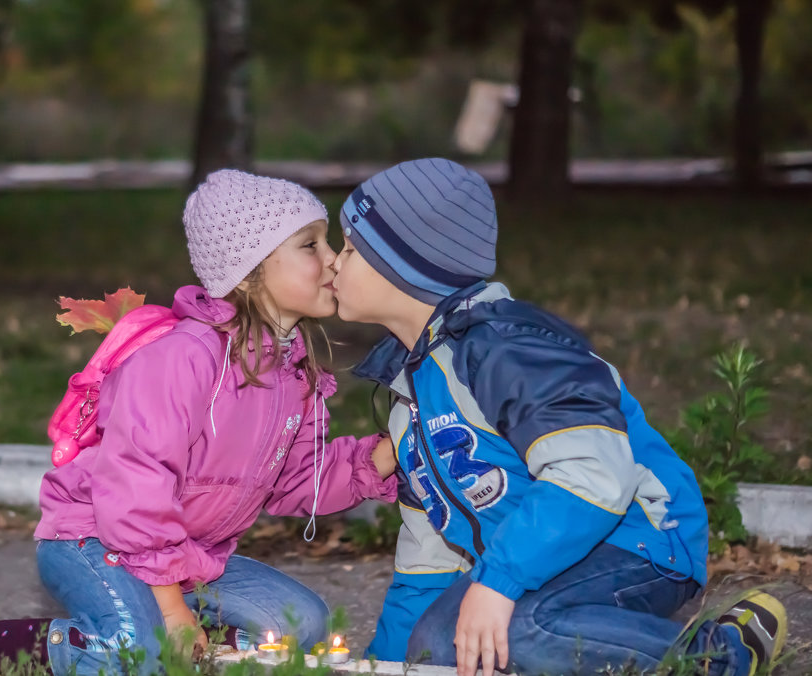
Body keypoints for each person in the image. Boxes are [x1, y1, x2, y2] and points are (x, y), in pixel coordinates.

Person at [0, 169, 399, 676]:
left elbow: (297, 482)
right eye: (311, 245)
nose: (333, 258)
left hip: (184, 556)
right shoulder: (182, 359)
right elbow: (136, 490)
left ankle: (181, 645)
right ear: (249, 272)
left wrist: (387, 451)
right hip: (97, 540)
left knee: (300, 627)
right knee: (140, 651)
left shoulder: (290, 374)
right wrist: (173, 610)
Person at [329, 158, 787, 676]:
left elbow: (595, 476)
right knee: (434, 643)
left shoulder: (509, 353)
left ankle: (722, 654)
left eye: (348, 248)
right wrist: (383, 667)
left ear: (403, 267)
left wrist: (497, 583)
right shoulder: (409, 387)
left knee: (506, 630)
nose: (333, 265)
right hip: (544, 558)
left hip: (637, 538)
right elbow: (429, 559)